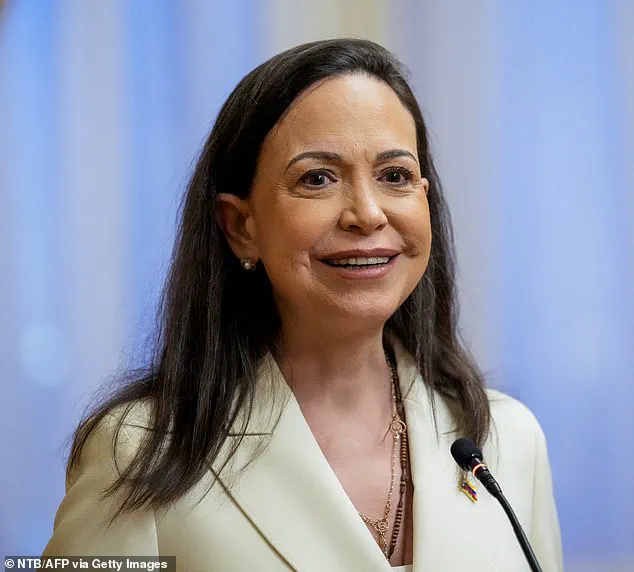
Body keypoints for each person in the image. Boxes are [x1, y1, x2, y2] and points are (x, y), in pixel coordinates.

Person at [42, 38, 563, 571]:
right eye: (317, 179)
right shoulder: (139, 450)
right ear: (240, 226)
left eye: (395, 176)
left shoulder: (509, 439)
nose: (367, 213)